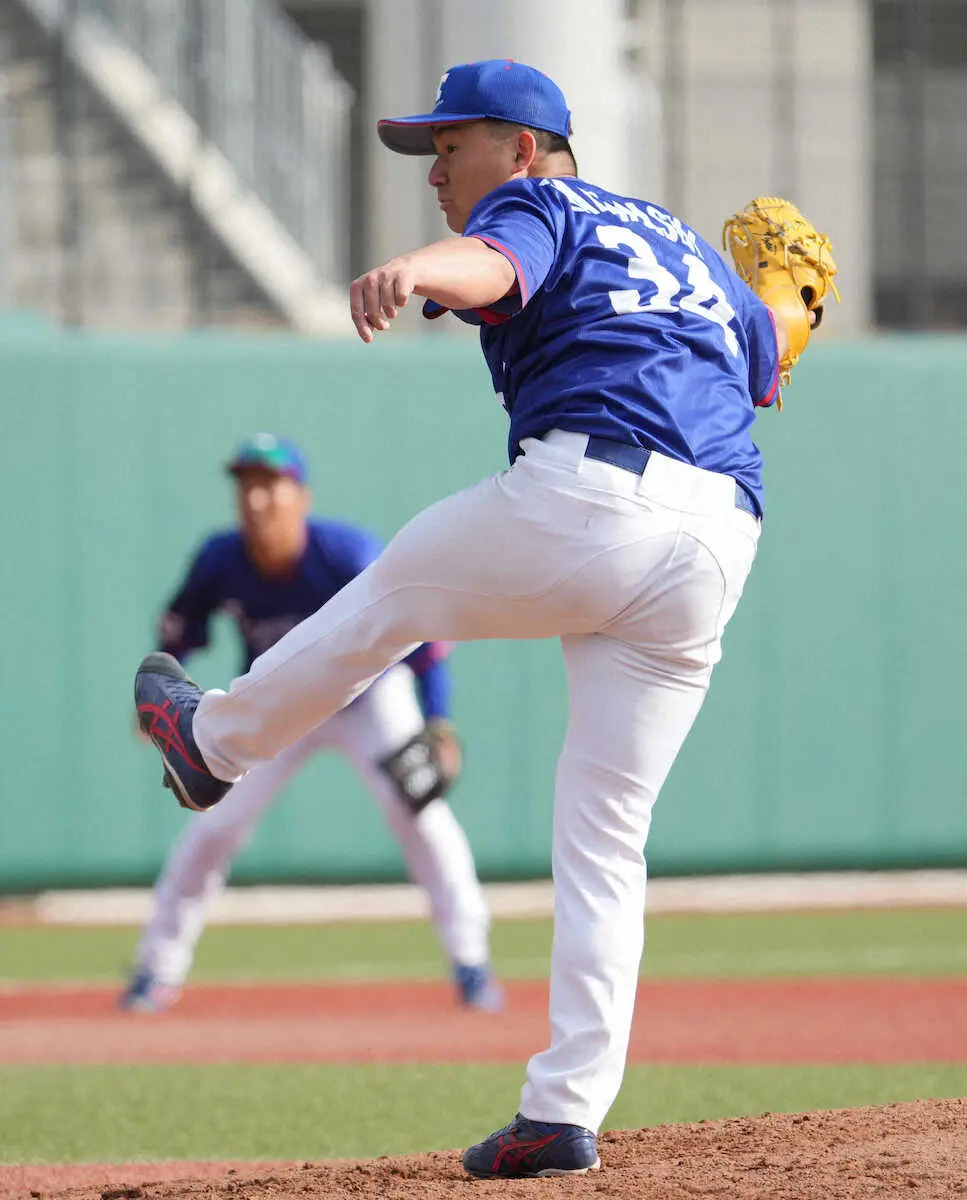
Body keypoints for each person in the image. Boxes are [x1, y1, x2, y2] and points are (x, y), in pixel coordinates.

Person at [135, 61, 811, 1178]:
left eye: (458, 143)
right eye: (435, 148)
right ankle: (563, 1111)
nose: (439, 167)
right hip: (716, 542)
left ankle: (210, 743)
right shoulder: (682, 242)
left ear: (528, 147)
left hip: (593, 498)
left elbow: (495, 262)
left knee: (388, 594)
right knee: (605, 833)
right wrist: (792, 308)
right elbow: (765, 358)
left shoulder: (535, 204)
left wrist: (412, 270)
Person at [125, 433, 501, 1014]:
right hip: (279, 703)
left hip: (370, 700)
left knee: (421, 815)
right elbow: (177, 635)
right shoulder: (220, 560)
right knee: (213, 828)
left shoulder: (345, 554)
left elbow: (426, 645)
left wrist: (440, 723)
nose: (257, 500)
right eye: (247, 486)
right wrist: (154, 708)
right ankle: (156, 969)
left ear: (301, 496)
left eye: (271, 485)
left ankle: (471, 963)